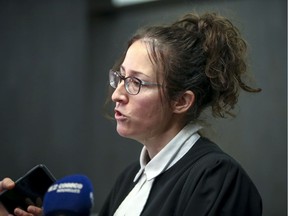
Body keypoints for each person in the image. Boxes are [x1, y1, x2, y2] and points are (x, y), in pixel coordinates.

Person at [0, 12, 262, 216]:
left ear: (181, 101)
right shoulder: (130, 180)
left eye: (136, 82)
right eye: (121, 77)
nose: (117, 94)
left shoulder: (217, 177)